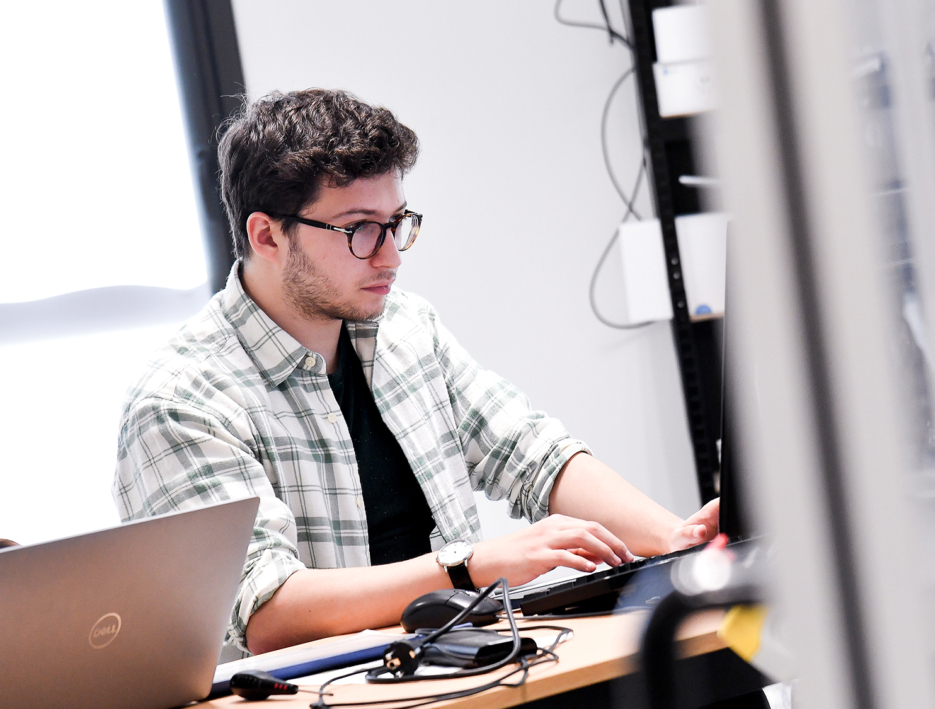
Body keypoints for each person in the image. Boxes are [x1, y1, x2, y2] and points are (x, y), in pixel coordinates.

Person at [113, 88, 719, 656]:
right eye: (359, 230)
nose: (391, 255)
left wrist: (679, 543)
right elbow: (267, 610)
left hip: (462, 664)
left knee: (705, 674)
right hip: (327, 691)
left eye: (397, 222)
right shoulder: (180, 402)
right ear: (267, 235)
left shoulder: (404, 327)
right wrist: (469, 567)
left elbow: (531, 454)